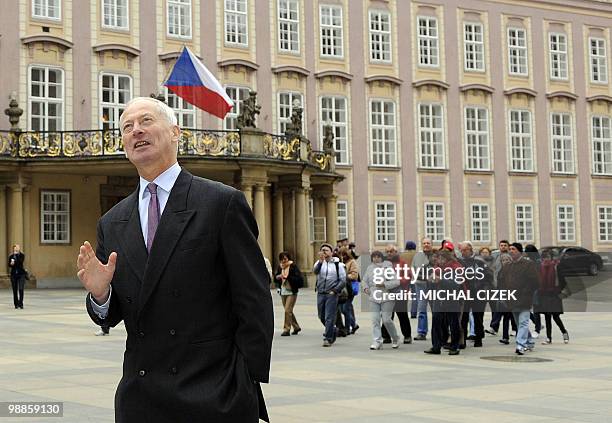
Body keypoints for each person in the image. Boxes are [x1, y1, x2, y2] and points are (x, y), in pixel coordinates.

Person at [76, 97, 274, 423]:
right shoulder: (112, 221)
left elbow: (254, 302)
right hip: (141, 399)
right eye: (127, 127)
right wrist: (101, 296)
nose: (136, 131)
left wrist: (243, 380)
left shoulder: (220, 203)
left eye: (146, 121)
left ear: (174, 132)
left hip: (214, 393)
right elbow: (110, 317)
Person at [498, 243, 539, 355]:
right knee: (519, 323)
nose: (511, 251)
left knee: (523, 322)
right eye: (510, 249)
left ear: (520, 251)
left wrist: (528, 291)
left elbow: (535, 281)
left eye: (513, 249)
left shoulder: (528, 264)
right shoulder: (508, 266)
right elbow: (501, 281)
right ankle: (529, 341)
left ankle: (520, 345)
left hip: (525, 298)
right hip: (512, 299)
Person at [424, 248, 464, 356]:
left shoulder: (456, 267)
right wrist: (431, 280)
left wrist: (440, 280)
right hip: (439, 297)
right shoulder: (437, 268)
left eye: (441, 258)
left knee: (453, 323)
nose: (439, 260)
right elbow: (433, 283)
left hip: (452, 298)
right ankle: (436, 346)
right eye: (438, 258)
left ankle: (454, 346)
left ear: (447, 258)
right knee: (436, 321)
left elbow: (455, 284)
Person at [362, 250, 400, 350]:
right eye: (374, 257)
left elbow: (396, 282)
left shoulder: (388, 267)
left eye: (378, 256)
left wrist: (384, 284)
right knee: (375, 320)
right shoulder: (370, 268)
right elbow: (364, 280)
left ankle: (395, 338)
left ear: (382, 257)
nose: (376, 258)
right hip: (374, 297)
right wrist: (365, 288)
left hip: (387, 297)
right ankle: (377, 341)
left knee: (387, 320)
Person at [313, 243, 346, 347]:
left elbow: (343, 280)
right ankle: (333, 329)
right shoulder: (319, 263)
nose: (324, 252)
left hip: (331, 294)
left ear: (331, 253)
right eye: (322, 250)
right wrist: (320, 262)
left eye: (326, 250)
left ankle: (328, 338)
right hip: (320, 293)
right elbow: (315, 272)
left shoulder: (338, 265)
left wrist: (335, 290)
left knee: (329, 317)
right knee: (321, 316)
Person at [536, 249, 570, 345]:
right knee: (547, 317)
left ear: (551, 257)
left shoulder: (556, 266)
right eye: (544, 257)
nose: (546, 259)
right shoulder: (540, 267)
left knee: (555, 316)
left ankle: (564, 332)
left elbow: (563, 281)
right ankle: (548, 338)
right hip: (544, 294)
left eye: (548, 257)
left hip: (554, 294)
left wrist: (558, 290)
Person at [382, 244, 412, 344]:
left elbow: (408, 276)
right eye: (387, 252)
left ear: (396, 252)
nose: (389, 253)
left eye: (391, 251)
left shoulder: (402, 263)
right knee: (387, 315)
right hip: (387, 293)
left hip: (400, 292)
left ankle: (407, 335)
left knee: (402, 314)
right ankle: (386, 336)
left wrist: (398, 282)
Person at [274, 252, 303, 336]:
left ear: (288, 258)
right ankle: (296, 327)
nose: (284, 260)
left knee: (287, 310)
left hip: (291, 291)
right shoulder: (280, 267)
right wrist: (278, 277)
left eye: (285, 258)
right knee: (288, 311)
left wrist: (288, 277)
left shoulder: (293, 266)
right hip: (283, 291)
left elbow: (299, 279)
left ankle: (286, 329)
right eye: (282, 258)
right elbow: (276, 278)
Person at [411, 237, 434, 340]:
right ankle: (422, 332)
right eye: (424, 243)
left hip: (434, 286)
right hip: (420, 285)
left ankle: (439, 330)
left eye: (428, 243)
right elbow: (413, 270)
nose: (426, 245)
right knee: (421, 309)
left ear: (431, 244)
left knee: (436, 309)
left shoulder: (436, 256)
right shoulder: (417, 256)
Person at [338, 247, 359, 335]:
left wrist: (344, 277)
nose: (343, 256)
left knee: (345, 309)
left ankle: (348, 327)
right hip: (342, 288)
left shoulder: (352, 262)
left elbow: (354, 275)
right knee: (343, 308)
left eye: (344, 254)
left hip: (349, 288)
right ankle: (353, 324)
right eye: (341, 254)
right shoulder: (339, 262)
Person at [8, 244, 26, 309]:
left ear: (19, 248)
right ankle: (16, 304)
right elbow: (9, 265)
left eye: (17, 248)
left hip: (21, 274)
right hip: (13, 275)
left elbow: (20, 262)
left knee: (21, 289)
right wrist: (11, 264)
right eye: (15, 248)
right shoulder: (11, 256)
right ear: (13, 249)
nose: (16, 249)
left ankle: (21, 303)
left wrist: (16, 256)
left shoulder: (22, 255)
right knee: (15, 290)